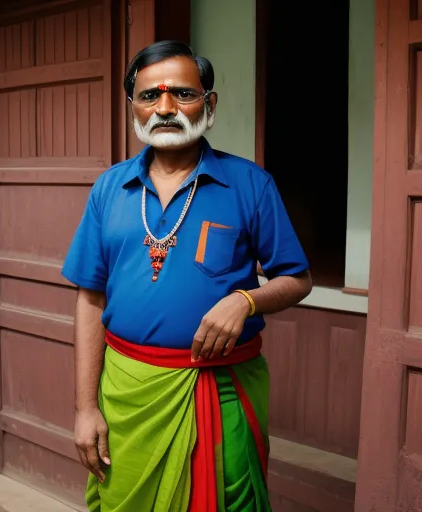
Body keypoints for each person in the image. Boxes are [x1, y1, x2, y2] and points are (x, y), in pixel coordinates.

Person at [62, 40, 312, 512]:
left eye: (183, 93)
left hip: (219, 391)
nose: (166, 107)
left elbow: (296, 279)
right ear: (133, 107)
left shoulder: (249, 183)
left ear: (209, 103)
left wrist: (246, 301)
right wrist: (85, 408)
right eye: (150, 96)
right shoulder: (109, 188)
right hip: (127, 394)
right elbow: (90, 299)